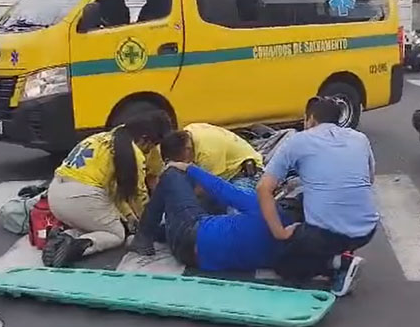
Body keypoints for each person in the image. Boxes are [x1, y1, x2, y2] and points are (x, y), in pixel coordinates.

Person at [255, 97, 379, 296]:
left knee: (285, 266)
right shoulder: (359, 138)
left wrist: (280, 233)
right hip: (366, 230)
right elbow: (369, 179)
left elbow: (263, 188)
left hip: (325, 235)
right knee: (305, 199)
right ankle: (341, 251)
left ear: (310, 119)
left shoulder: (298, 140)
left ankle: (337, 263)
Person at [43, 112, 172, 267]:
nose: (152, 149)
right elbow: (138, 195)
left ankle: (62, 237)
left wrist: (129, 216)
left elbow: (115, 191)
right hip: (82, 198)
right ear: (145, 139)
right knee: (116, 234)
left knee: (99, 224)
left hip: (55, 195)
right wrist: (147, 226)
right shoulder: (133, 154)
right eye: (153, 145)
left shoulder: (101, 138)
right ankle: (75, 247)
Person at [128, 162, 295, 273]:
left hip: (188, 236)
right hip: (196, 259)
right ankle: (160, 232)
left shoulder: (264, 208)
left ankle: (143, 236)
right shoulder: (294, 248)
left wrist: (189, 167)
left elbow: (222, 189)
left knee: (173, 174)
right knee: (213, 204)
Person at [159, 123, 263, 191]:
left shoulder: (208, 153)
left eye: (183, 161)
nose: (184, 164)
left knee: (236, 208)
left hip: (243, 172)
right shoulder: (190, 129)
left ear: (187, 149)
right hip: (224, 167)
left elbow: (206, 186)